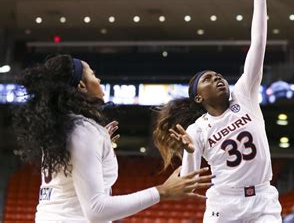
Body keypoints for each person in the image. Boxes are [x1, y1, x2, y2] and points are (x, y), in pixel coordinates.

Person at [12, 54, 213, 222]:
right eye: (93, 74)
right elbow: (96, 210)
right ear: (81, 85)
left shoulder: (63, 128)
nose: (98, 80)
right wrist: (162, 191)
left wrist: (97, 147)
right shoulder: (83, 131)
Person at [152, 0, 281, 222]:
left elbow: (258, 44)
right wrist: (189, 151)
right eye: (208, 79)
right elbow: (190, 181)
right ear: (198, 97)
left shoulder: (245, 95)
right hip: (225, 203)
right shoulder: (197, 129)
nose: (218, 78)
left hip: (264, 199)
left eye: (218, 75)